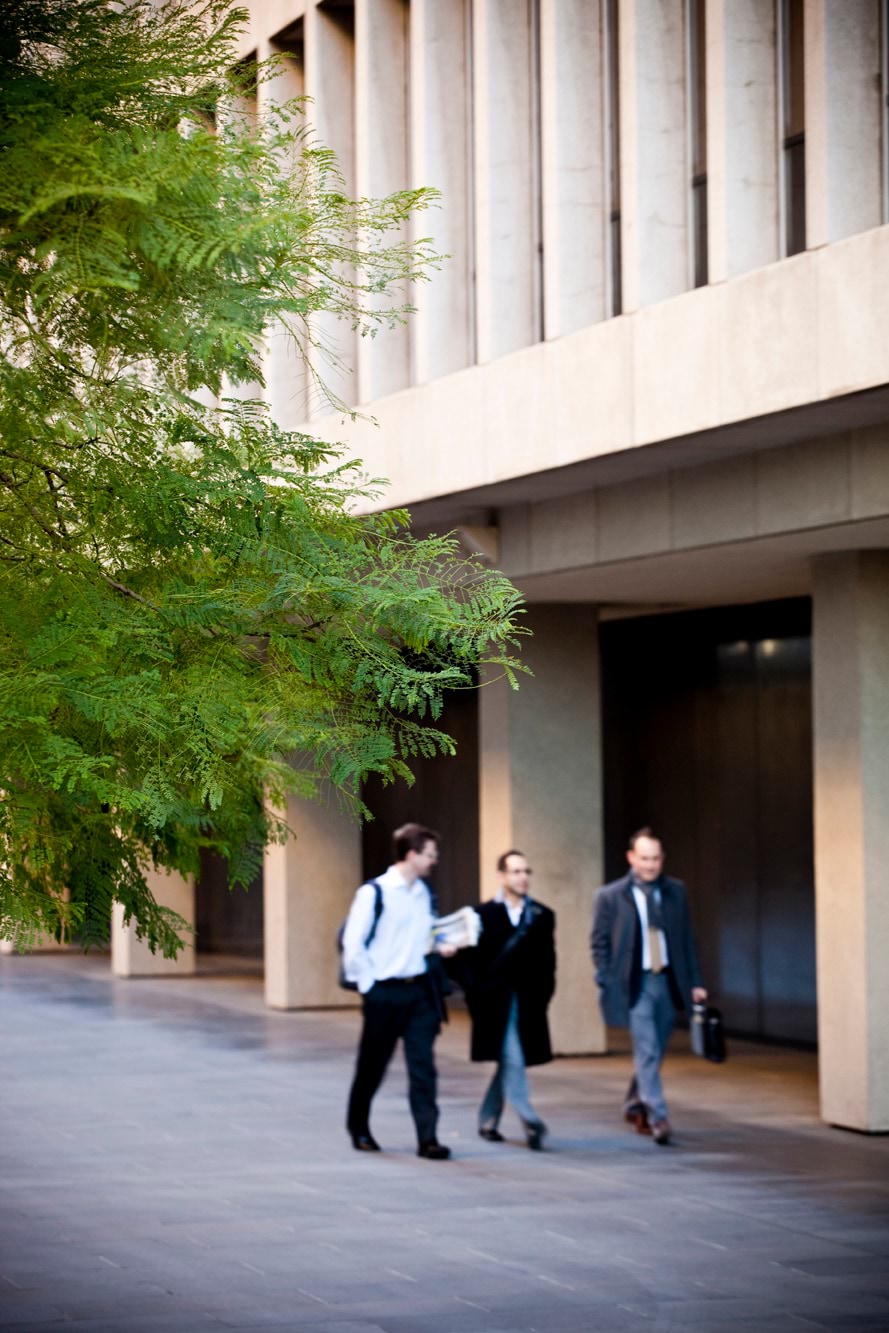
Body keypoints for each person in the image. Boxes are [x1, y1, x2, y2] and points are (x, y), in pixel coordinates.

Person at [342, 822, 453, 1160]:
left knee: (423, 1068)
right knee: (373, 1065)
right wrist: (369, 986)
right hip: (384, 994)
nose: (435, 861)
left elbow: (424, 938)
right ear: (412, 854)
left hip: (419, 993)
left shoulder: (424, 894)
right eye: (430, 854)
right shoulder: (374, 892)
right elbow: (353, 944)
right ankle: (358, 1127)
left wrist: (443, 945)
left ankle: (428, 1138)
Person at [591, 828, 707, 1145]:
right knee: (647, 1049)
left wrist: (696, 982)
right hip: (635, 983)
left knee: (654, 1051)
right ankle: (659, 1116)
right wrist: (606, 975)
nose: (650, 865)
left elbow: (686, 940)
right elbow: (599, 942)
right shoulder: (611, 896)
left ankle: (633, 1102)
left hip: (668, 981)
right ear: (631, 858)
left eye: (656, 859)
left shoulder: (675, 891)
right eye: (644, 858)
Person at [460, 849, 556, 1150]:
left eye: (526, 871)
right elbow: (468, 963)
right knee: (513, 1057)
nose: (523, 877)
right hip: (493, 1004)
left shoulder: (541, 915)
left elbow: (548, 963)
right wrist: (476, 996)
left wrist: (542, 996)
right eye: (515, 872)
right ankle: (529, 1119)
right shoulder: (481, 915)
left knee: (511, 1061)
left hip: (528, 1003)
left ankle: (487, 1119)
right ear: (501, 876)